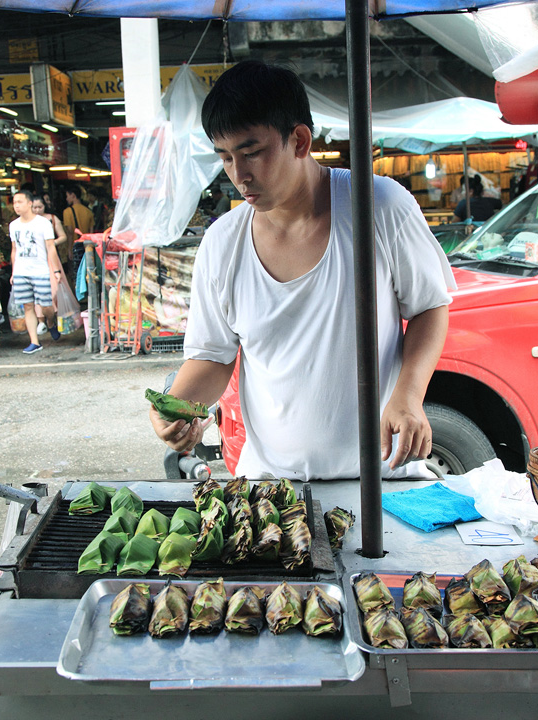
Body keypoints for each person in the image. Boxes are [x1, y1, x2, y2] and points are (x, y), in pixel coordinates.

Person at [149, 59, 456, 480]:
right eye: (225, 158)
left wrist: (409, 394)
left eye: (251, 152)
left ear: (299, 140)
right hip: (273, 484)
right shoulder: (222, 244)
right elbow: (213, 358)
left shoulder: (378, 207)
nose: (239, 175)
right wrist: (176, 407)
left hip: (382, 480)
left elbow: (429, 307)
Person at [9, 189, 62, 354]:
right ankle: (34, 342)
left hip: (40, 271)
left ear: (30, 203)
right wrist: (13, 272)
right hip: (21, 271)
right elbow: (14, 250)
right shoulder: (13, 225)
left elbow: (50, 247)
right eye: (14, 203)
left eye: (20, 202)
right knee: (28, 306)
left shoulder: (43, 223)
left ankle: (51, 322)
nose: (16, 206)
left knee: (46, 305)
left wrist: (56, 270)